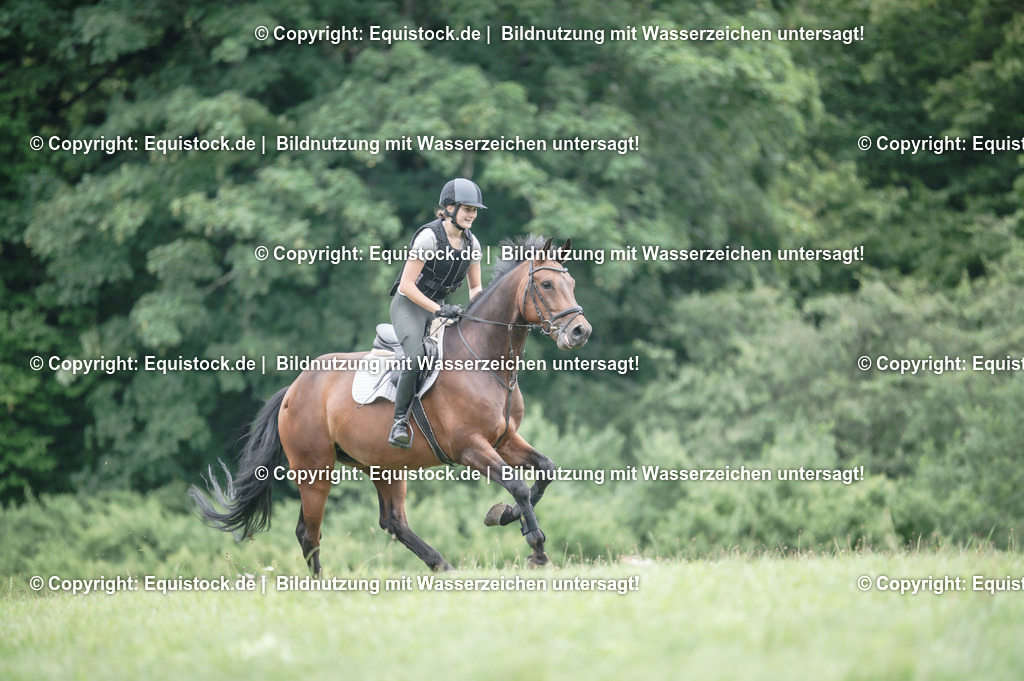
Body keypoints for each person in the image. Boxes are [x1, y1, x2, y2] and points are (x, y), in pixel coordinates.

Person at [387, 178, 486, 448]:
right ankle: (399, 423)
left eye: (475, 210)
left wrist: (478, 314)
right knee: (417, 356)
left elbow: (475, 287)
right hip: (410, 305)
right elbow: (406, 286)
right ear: (449, 208)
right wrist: (440, 310)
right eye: (467, 209)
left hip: (441, 310)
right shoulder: (429, 237)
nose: (472, 215)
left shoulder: (472, 244)